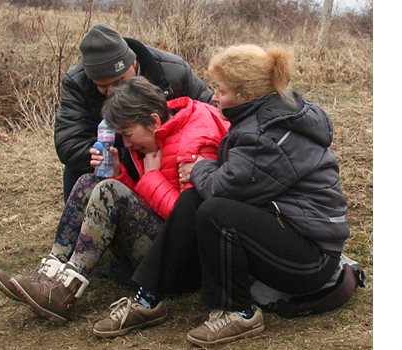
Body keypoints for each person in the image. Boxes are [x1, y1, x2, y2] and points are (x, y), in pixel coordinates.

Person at [94, 44, 351, 347]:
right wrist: (207, 170)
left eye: (221, 89)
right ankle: (147, 298)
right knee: (196, 201)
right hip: (289, 232)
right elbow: (232, 178)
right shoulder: (263, 118)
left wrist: (200, 168)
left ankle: (239, 311)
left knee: (215, 210)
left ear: (245, 95)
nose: (213, 96)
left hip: (311, 259)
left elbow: (222, 187)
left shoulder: (265, 134)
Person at [0, 76, 229, 325]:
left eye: (127, 134)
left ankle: (66, 291)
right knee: (88, 183)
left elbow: (189, 219)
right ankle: (49, 273)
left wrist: (151, 177)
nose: (125, 143)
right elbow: (146, 205)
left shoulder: (195, 143)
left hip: (182, 264)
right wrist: (120, 175)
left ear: (154, 120)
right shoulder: (157, 135)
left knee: (109, 191)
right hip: (162, 242)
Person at [55, 23, 214, 202]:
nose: (112, 93)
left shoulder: (173, 71)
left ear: (134, 63)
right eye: (102, 87)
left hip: (171, 154)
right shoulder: (77, 82)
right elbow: (69, 144)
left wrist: (198, 159)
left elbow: (213, 114)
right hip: (117, 154)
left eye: (118, 82)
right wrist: (121, 155)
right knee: (80, 167)